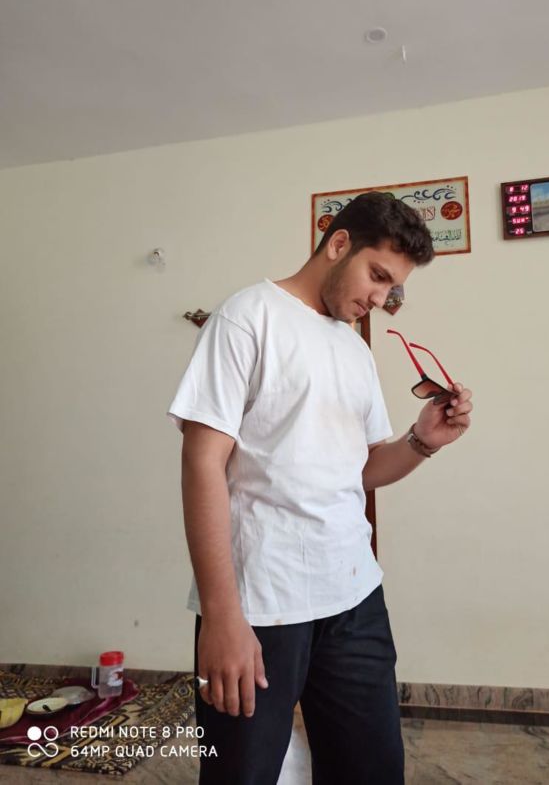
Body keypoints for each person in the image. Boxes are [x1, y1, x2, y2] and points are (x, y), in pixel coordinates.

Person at [166, 191, 473, 785]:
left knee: (371, 770)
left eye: (393, 289)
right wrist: (223, 617)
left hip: (355, 598)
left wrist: (423, 441)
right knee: (241, 774)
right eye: (377, 276)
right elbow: (201, 463)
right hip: (260, 603)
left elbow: (361, 470)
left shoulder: (354, 348)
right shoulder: (247, 316)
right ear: (339, 244)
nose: (380, 299)